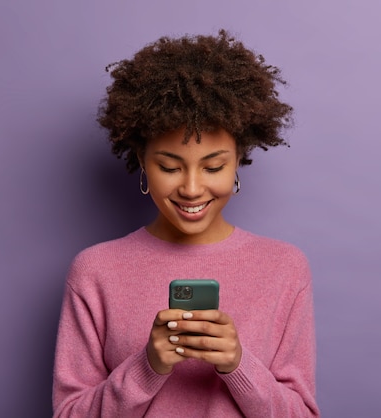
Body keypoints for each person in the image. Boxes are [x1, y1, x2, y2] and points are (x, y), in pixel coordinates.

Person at [52, 29, 320, 417]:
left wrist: (238, 365)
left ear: (238, 160)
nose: (192, 188)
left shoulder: (285, 267)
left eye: (213, 166)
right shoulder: (95, 271)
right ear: (142, 161)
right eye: (169, 167)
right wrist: (148, 367)